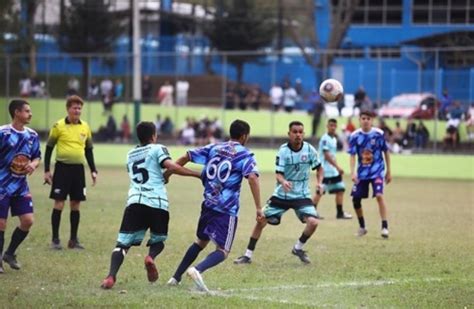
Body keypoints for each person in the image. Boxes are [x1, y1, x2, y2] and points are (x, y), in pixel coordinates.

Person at [100, 121, 200, 289]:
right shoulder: (157, 149)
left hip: (136, 201)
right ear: (153, 135)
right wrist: (196, 174)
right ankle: (150, 257)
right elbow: (171, 166)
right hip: (157, 202)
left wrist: (164, 175)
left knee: (122, 244)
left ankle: (111, 276)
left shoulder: (130, 154)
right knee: (158, 240)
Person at [166, 120, 261, 292]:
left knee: (200, 242)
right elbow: (253, 178)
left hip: (208, 204)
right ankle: (197, 269)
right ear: (244, 136)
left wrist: (168, 172)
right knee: (223, 250)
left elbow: (187, 156)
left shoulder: (214, 148)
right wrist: (259, 208)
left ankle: (175, 277)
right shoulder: (245, 154)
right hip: (226, 210)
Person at [234, 121, 323, 265]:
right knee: (261, 220)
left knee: (313, 222)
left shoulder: (309, 150)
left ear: (304, 134)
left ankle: (298, 248)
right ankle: (247, 255)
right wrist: (283, 182)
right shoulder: (283, 151)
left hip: (301, 195)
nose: (298, 135)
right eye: (294, 132)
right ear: (289, 134)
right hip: (282, 194)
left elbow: (319, 168)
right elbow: (278, 174)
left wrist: (320, 182)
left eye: (300, 132)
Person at [44, 95, 98, 250]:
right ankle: (55, 240)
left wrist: (93, 170)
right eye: (75, 108)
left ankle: (73, 240)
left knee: (76, 204)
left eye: (80, 108)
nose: (77, 110)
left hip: (78, 170)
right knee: (59, 203)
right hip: (62, 169)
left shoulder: (85, 127)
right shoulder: (58, 126)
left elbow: (88, 150)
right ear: (68, 109)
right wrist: (47, 170)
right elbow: (49, 148)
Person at [0, 99, 41, 273]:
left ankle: (9, 253)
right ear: (17, 112)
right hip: (2, 186)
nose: (30, 114)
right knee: (1, 223)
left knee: (28, 221)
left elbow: (37, 156)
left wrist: (33, 164)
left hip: (20, 186)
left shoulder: (32, 135)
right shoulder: (3, 133)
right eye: (27, 111)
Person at [348, 110, 391, 238]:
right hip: (362, 174)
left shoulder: (379, 134)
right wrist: (352, 172)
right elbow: (352, 155)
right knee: (356, 200)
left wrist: (389, 171)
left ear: (372, 120)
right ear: (359, 120)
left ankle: (384, 227)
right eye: (363, 118)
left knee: (379, 195)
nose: (366, 120)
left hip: (377, 171)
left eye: (368, 118)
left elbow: (386, 152)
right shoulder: (354, 136)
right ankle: (362, 227)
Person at [312, 119, 352, 220]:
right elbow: (326, 155)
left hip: (332, 171)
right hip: (325, 170)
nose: (333, 127)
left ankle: (339, 213)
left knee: (340, 189)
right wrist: (338, 167)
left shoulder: (334, 138)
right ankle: (311, 212)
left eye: (334, 125)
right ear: (327, 126)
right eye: (331, 125)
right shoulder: (325, 139)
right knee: (320, 191)